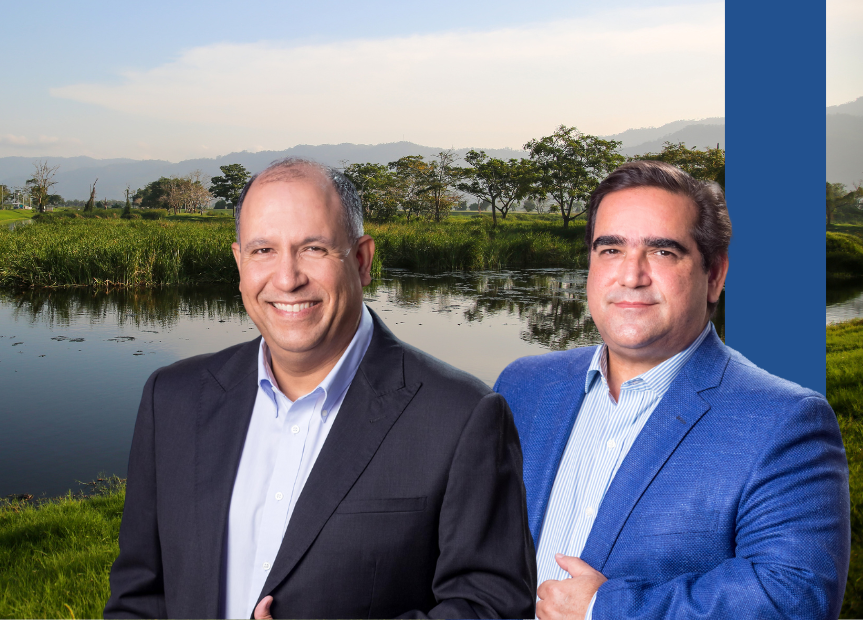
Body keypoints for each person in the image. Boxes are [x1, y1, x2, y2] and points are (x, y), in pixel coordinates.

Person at [104, 157, 536, 619]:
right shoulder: (172, 399)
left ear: (362, 260)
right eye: (263, 250)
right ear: (239, 262)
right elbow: (138, 595)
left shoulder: (460, 416)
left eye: (313, 248)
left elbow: (492, 607)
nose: (287, 279)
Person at [494, 161, 850, 620]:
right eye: (611, 249)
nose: (631, 275)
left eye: (662, 252)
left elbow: (796, 597)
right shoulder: (523, 387)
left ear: (715, 275)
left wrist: (605, 609)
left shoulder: (786, 422)